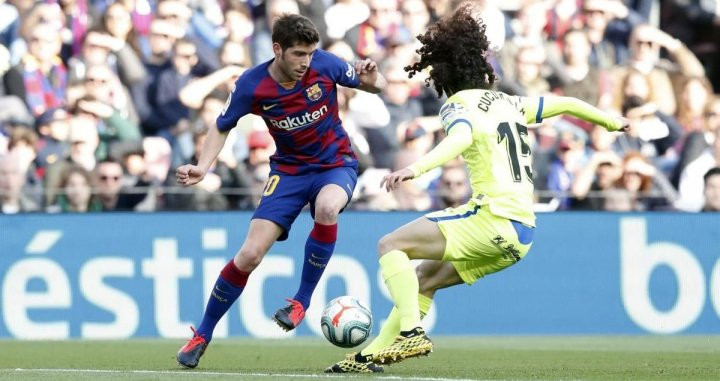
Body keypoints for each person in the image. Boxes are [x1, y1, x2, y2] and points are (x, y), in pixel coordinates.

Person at [325, 5, 628, 373]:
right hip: (521, 235)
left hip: (491, 218)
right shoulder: (509, 103)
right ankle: (367, 357)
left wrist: (415, 168)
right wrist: (609, 120)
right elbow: (565, 103)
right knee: (423, 280)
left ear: (443, 73)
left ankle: (411, 331)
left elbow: (462, 137)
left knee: (390, 245)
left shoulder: (457, 104)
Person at [175, 13, 386, 368]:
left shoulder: (327, 65)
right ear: (277, 49)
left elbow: (374, 86)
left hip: (335, 164)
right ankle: (202, 335)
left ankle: (301, 300)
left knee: (327, 209)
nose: (306, 62)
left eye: (310, 53)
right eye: (298, 54)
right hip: (288, 172)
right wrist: (203, 165)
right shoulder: (251, 85)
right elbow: (222, 125)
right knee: (249, 255)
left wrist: (372, 78)